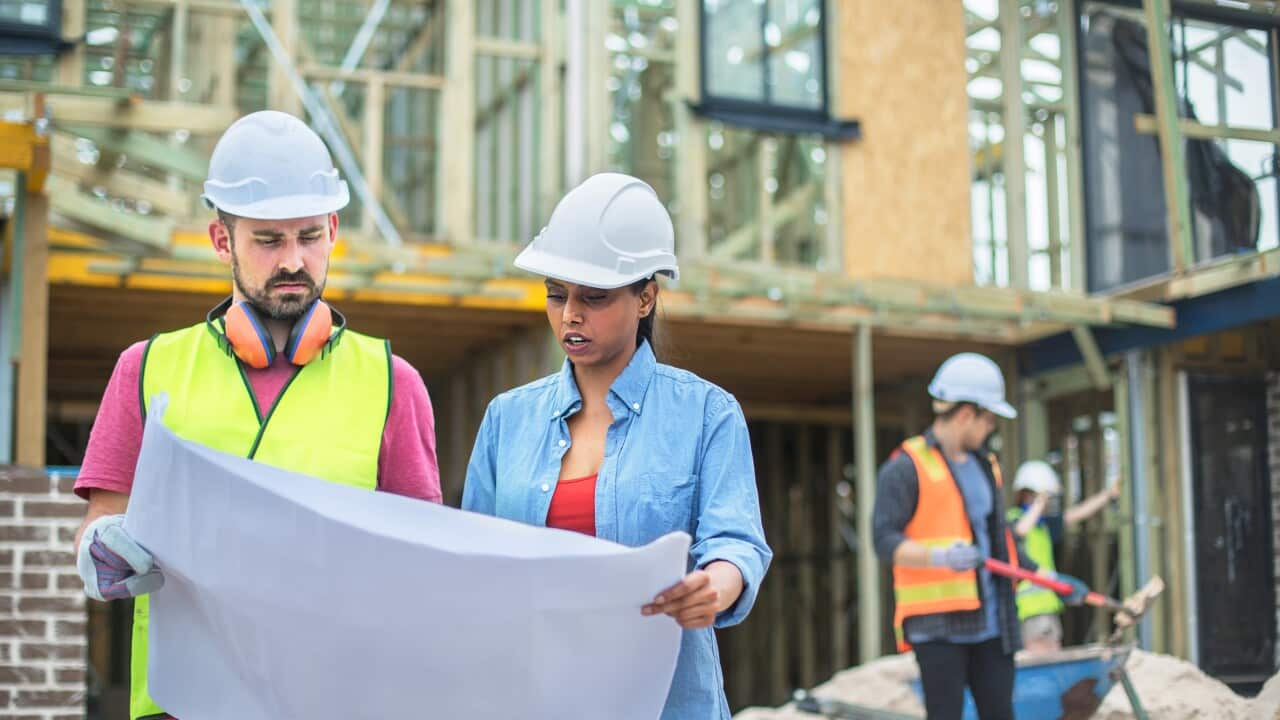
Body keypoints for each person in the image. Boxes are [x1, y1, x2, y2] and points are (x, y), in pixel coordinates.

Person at [71, 110, 442, 720]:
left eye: (310, 236)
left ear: (333, 229)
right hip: (178, 703)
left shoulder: (391, 383)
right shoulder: (146, 369)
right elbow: (101, 522)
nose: (293, 260)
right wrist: (102, 550)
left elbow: (421, 562)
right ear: (223, 242)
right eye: (268, 240)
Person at [461, 172, 771, 719]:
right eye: (556, 295)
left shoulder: (707, 415)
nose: (570, 314)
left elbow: (737, 543)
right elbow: (473, 565)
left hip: (664, 701)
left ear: (646, 296)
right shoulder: (507, 420)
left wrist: (714, 587)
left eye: (595, 297)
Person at [872, 353, 1089, 720]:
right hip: (938, 627)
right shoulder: (906, 466)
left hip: (992, 623)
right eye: (989, 419)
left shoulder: (985, 465)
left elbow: (999, 536)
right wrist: (940, 556)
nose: (991, 428)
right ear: (966, 414)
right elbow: (884, 540)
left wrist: (1046, 578)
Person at [1007, 459, 1120, 653]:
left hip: (1048, 606)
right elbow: (1020, 530)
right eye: (1045, 497)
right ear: (1028, 494)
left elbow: (1077, 514)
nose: (1048, 503)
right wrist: (1039, 502)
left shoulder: (1043, 526)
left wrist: (1107, 495)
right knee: (1039, 658)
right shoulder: (1013, 519)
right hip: (1029, 611)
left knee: (1053, 651)